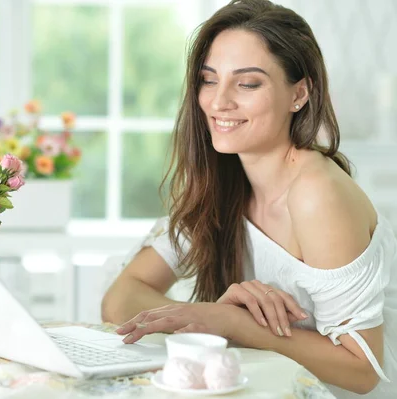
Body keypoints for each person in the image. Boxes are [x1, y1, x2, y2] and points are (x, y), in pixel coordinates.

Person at [100, 0, 396, 397]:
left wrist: (233, 322)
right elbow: (121, 298)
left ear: (299, 93)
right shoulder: (222, 184)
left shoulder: (316, 193)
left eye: (248, 83)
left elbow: (362, 372)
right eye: (209, 79)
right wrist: (210, 316)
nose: (219, 101)